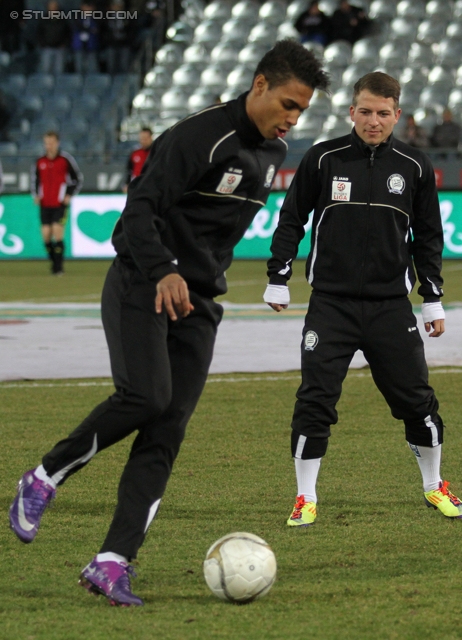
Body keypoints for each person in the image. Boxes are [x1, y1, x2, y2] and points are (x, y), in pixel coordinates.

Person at [9, 40, 329, 607]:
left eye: (301, 110)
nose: (292, 118)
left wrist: (200, 282)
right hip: (142, 281)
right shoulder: (198, 135)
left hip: (199, 304)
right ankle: (43, 477)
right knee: (146, 397)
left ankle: (112, 562)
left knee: (167, 431)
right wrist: (163, 270)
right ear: (259, 85)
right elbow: (138, 210)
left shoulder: (273, 155)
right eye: (287, 103)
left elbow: (213, 234)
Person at [263, 71, 462, 529]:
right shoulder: (322, 158)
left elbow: (429, 238)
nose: (374, 121)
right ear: (352, 112)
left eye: (384, 113)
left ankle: (434, 486)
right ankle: (305, 497)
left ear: (398, 115)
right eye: (366, 112)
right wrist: (279, 274)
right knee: (314, 401)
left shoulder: (414, 166)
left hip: (391, 306)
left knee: (417, 402)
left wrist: (431, 299)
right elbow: (291, 218)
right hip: (330, 305)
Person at [31, 131, 83, 275]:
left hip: (59, 204)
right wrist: (36, 195)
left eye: (52, 142)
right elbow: (35, 180)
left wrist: (68, 195)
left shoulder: (65, 160)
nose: (49, 146)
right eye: (47, 143)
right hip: (44, 204)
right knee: (46, 237)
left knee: (57, 233)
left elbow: (77, 179)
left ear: (57, 143)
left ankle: (59, 267)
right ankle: (54, 262)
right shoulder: (40, 161)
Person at [37, 0, 71, 75]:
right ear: (48, 8)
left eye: (55, 7)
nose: (53, 9)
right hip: (47, 48)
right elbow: (39, 33)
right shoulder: (43, 19)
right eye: (51, 7)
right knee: (45, 70)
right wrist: (43, 44)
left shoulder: (63, 19)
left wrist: (65, 44)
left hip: (60, 49)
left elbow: (68, 33)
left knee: (60, 70)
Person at [122, 127, 153, 193]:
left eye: (145, 139)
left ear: (151, 138)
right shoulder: (135, 152)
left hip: (152, 185)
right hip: (137, 186)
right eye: (141, 139)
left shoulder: (156, 152)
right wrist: (127, 184)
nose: (143, 141)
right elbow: (129, 170)